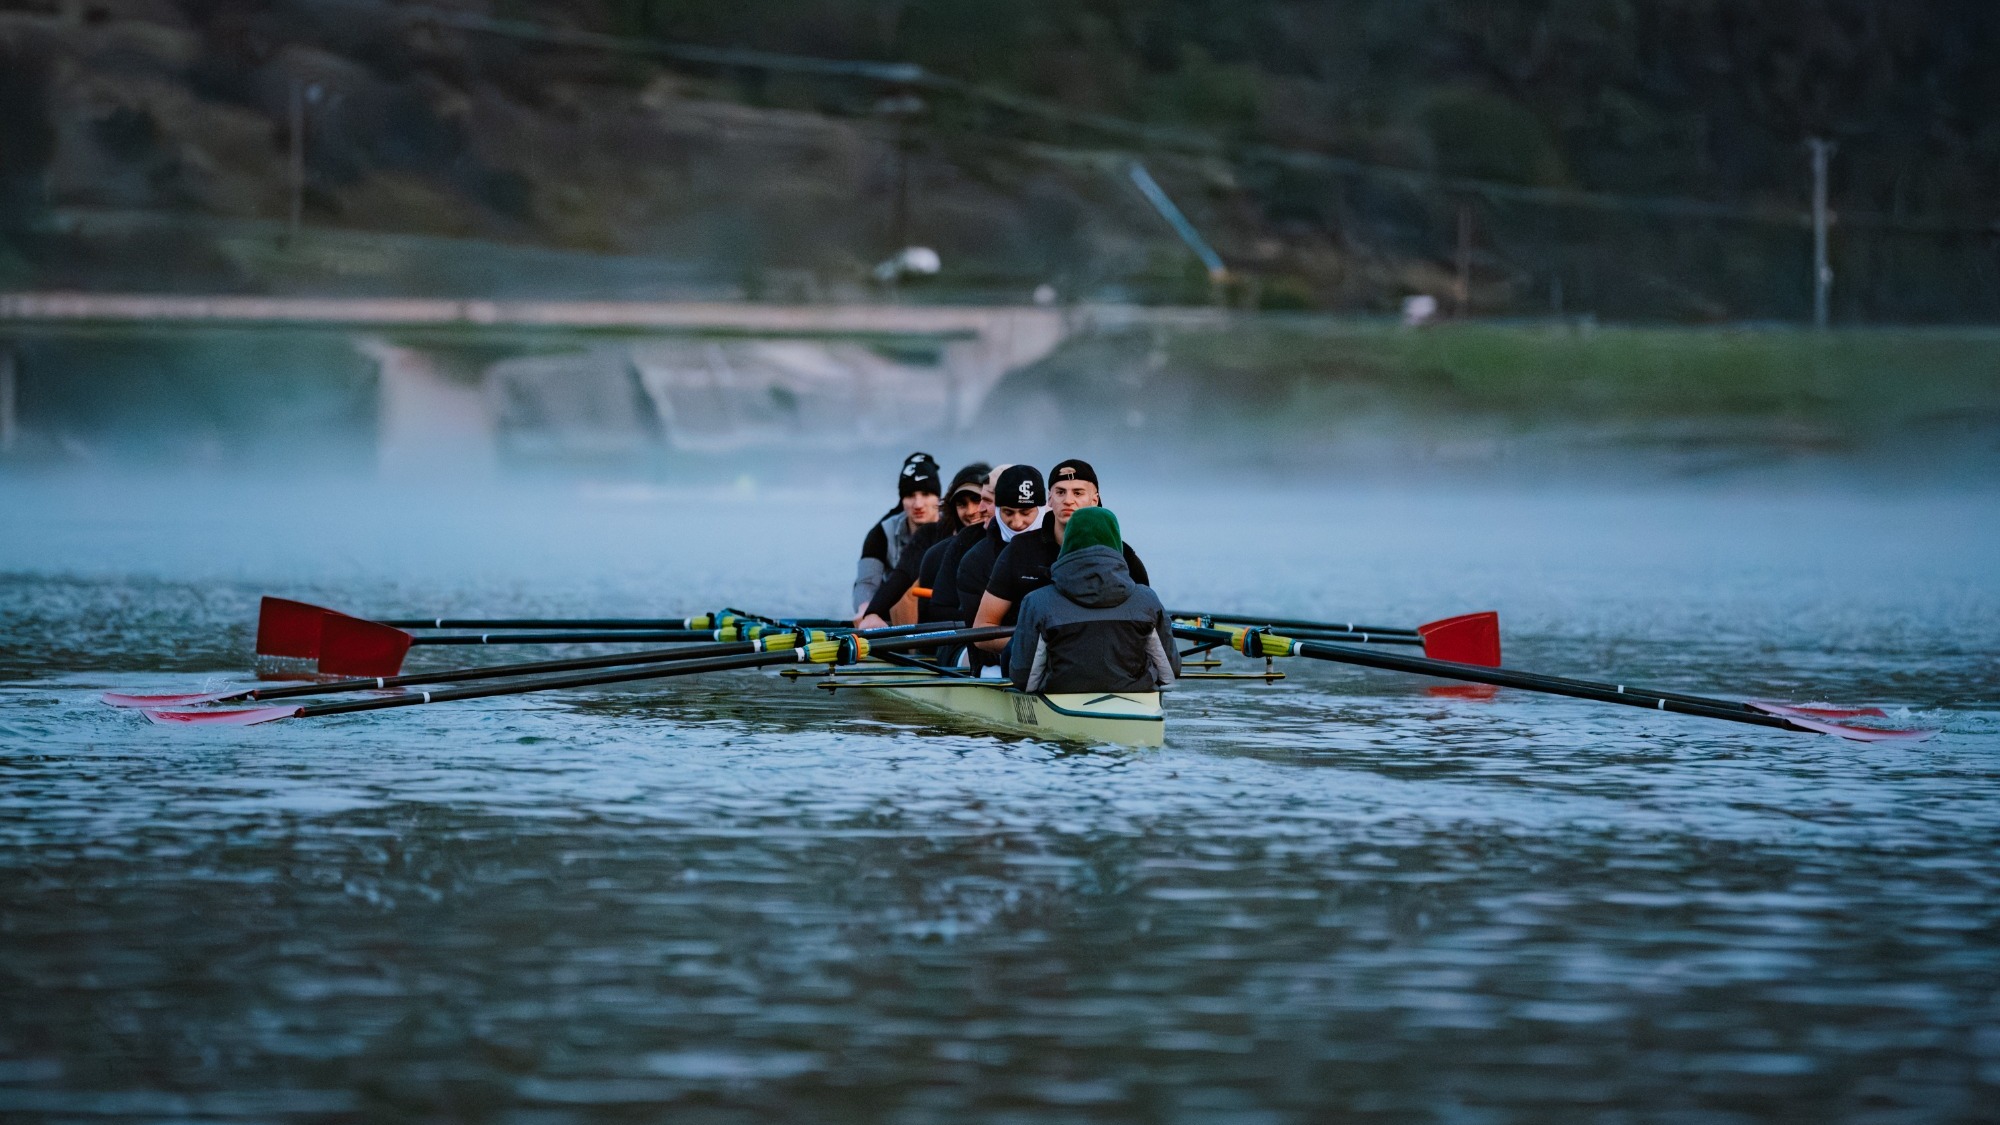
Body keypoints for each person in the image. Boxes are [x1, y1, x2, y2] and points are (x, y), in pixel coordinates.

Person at [974, 458, 1148, 654]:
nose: (1068, 500)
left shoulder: (1123, 555)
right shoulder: (1020, 550)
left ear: (1095, 499)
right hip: (1039, 667)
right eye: (1060, 492)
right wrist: (1047, 648)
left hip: (1108, 665)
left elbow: (1148, 622)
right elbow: (982, 632)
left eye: (1078, 493)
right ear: (1049, 499)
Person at [1009, 507, 1178, 694]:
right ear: (1116, 543)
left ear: (1068, 543)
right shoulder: (1147, 599)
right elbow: (1169, 674)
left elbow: (1025, 681)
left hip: (1059, 698)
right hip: (1135, 699)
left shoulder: (1037, 602)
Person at [855, 461, 990, 628]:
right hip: (946, 633)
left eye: (977, 500)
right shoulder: (929, 535)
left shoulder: (1013, 539)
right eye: (962, 503)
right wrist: (872, 612)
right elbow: (903, 574)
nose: (970, 511)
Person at [955, 464, 1049, 669]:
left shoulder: (1062, 545)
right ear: (997, 509)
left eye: (1026, 512)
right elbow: (979, 640)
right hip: (995, 662)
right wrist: (1039, 647)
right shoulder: (975, 561)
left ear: (1042, 509)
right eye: (1008, 512)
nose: (1016, 522)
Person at [852, 452, 940, 618]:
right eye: (910, 495)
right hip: (891, 614)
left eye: (926, 494)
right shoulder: (880, 533)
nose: (918, 504)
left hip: (940, 612)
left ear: (938, 498)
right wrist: (866, 612)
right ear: (902, 500)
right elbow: (866, 582)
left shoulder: (955, 528)